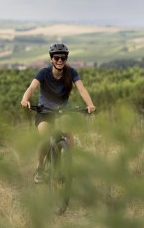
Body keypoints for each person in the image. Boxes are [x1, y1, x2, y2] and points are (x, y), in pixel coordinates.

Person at [20, 43, 96, 183]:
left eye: (63, 58)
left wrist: (90, 104)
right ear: (51, 59)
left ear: (66, 59)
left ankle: (68, 161)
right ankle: (40, 168)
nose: (60, 60)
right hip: (45, 111)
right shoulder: (43, 73)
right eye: (56, 58)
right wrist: (25, 99)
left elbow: (82, 89)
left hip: (63, 110)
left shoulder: (71, 72)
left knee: (68, 128)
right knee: (45, 138)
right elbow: (31, 88)